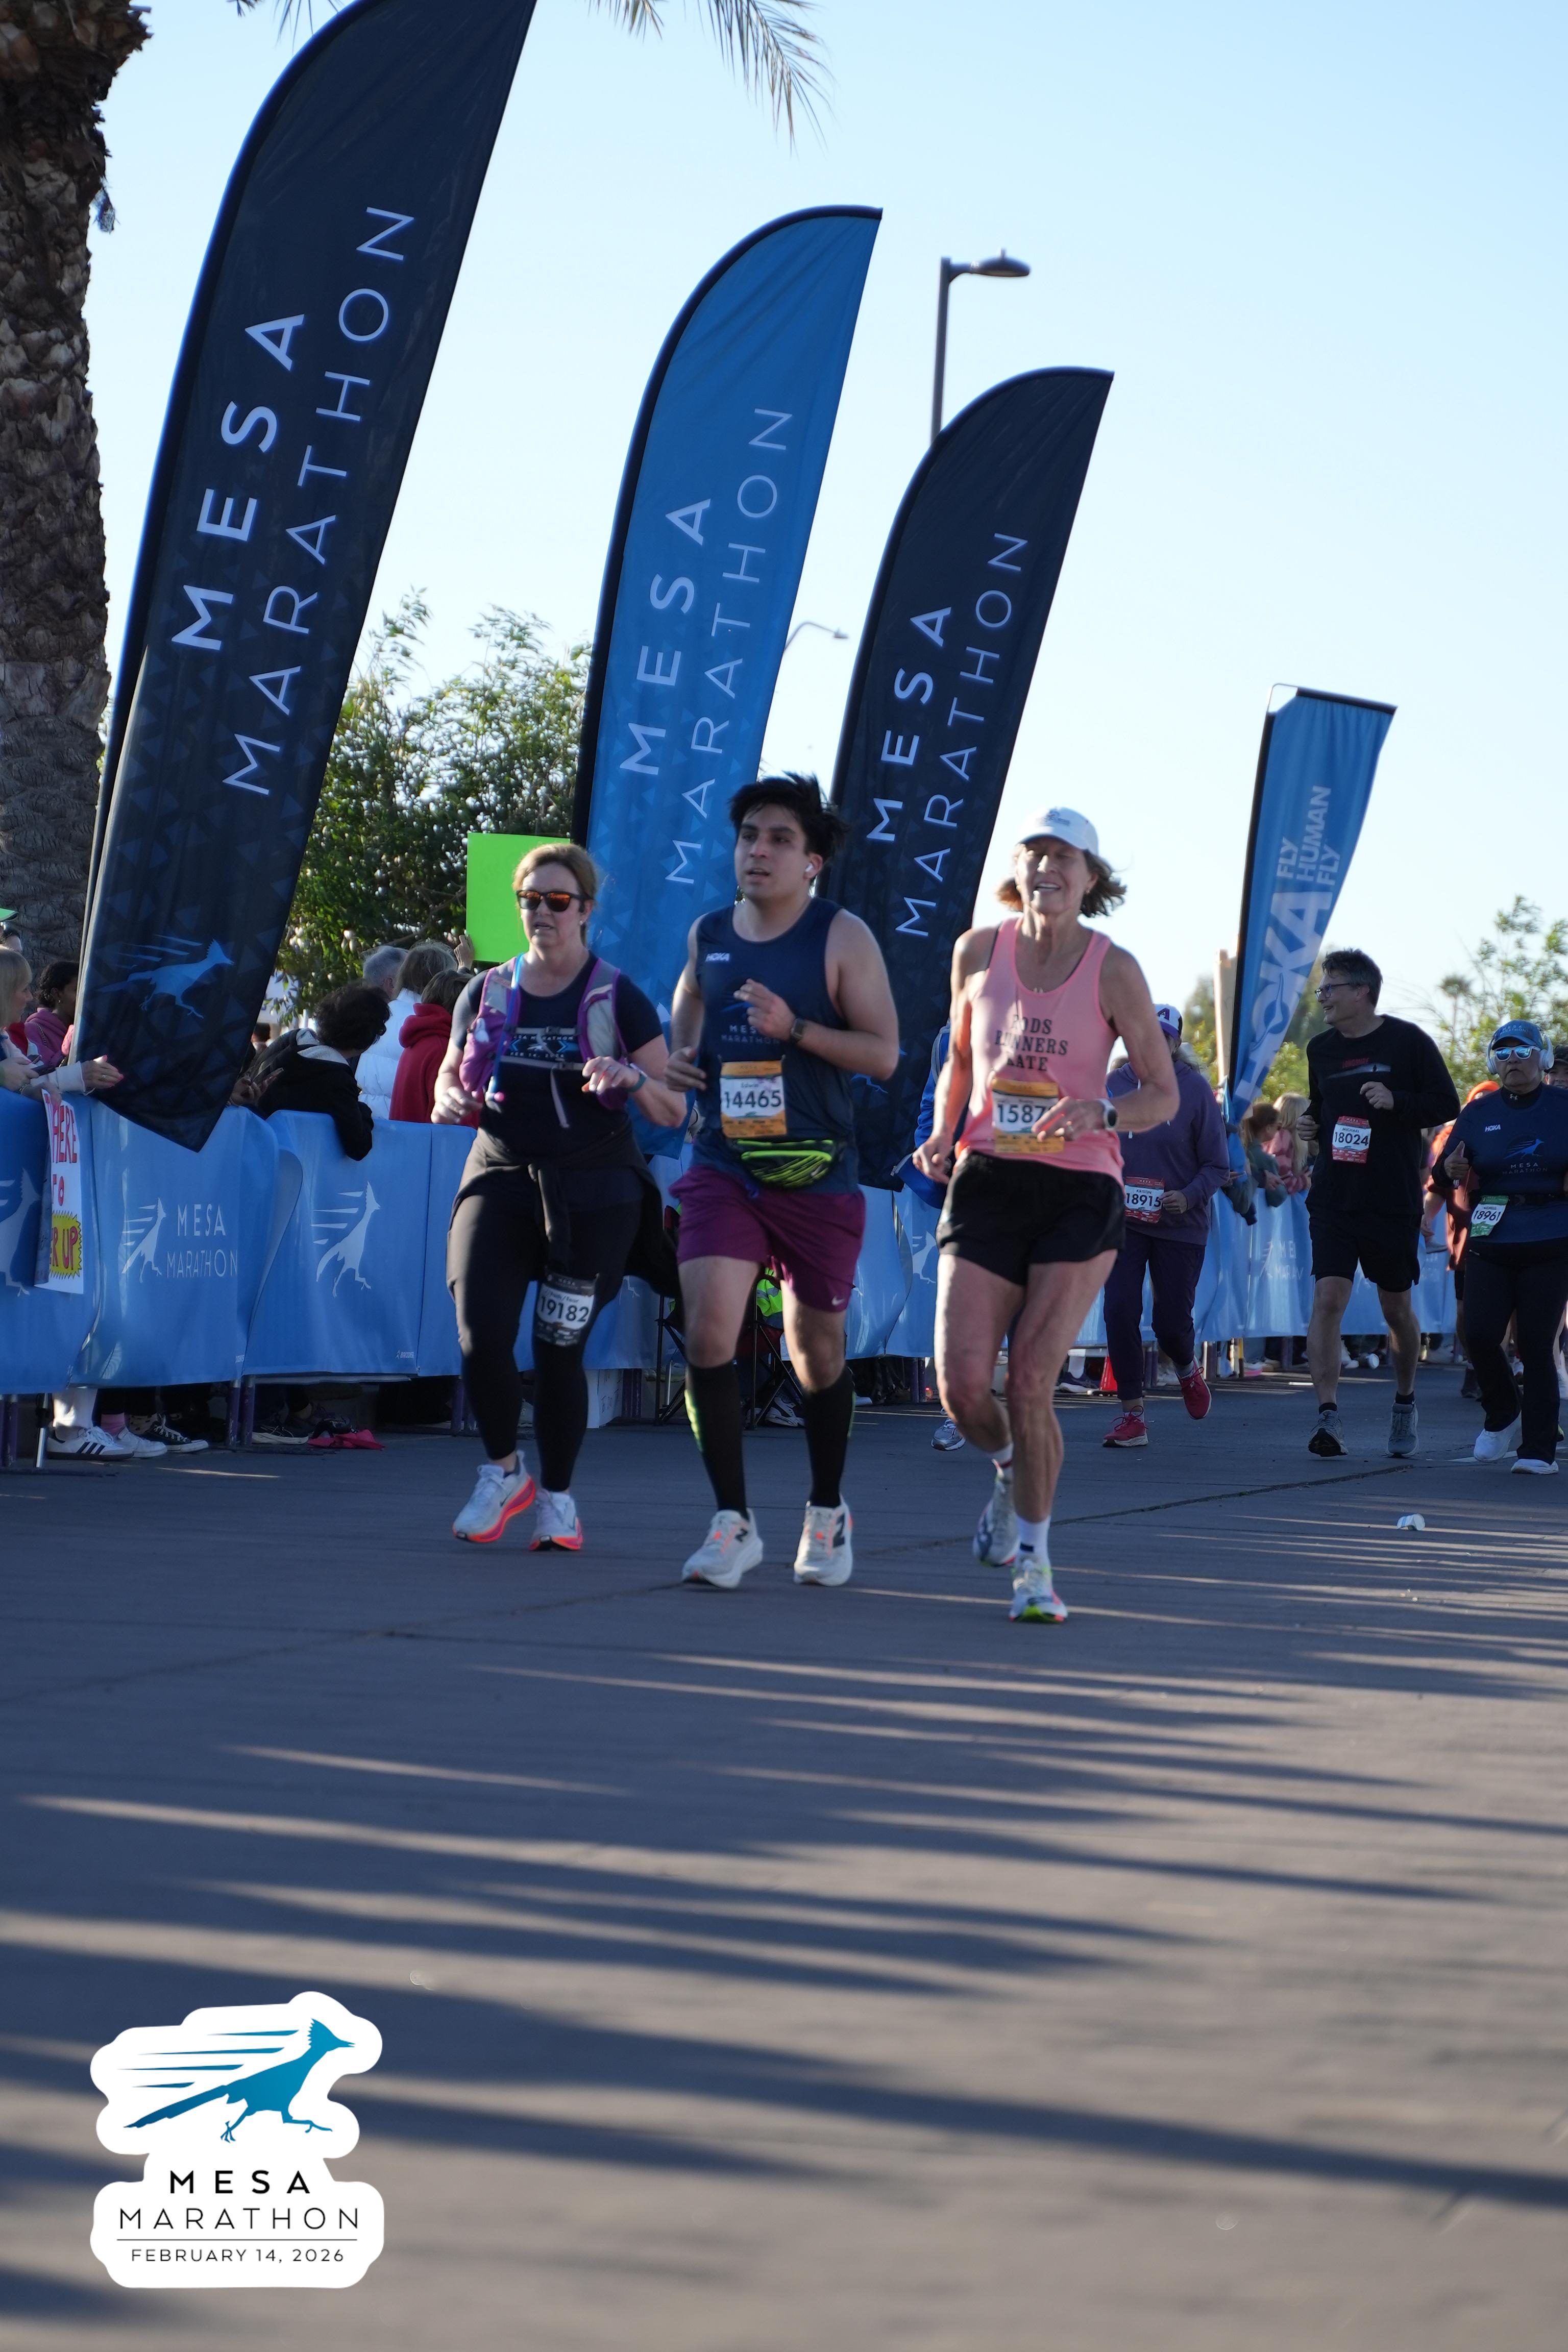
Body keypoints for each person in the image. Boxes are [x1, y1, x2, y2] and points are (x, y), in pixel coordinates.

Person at [914, 808, 1178, 1624]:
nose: (1047, 868)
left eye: (1065, 857)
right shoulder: (976, 951)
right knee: (962, 1386)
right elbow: (961, 1061)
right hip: (988, 1178)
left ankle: (1034, 1566)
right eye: (1035, 853)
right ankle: (1007, 1469)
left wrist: (1107, 1111)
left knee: (1031, 1377)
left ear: (1091, 877)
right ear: (1018, 867)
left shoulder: (1114, 969)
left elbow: (1163, 1093)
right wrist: (942, 1132)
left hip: (1079, 1186)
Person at [663, 775, 899, 1590]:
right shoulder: (709, 933)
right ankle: (732, 1523)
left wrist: (794, 1028)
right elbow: (688, 1001)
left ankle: (827, 1510)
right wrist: (681, 1058)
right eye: (748, 836)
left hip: (815, 1172)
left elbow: (883, 1054)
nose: (757, 852)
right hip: (725, 1164)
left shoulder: (842, 938)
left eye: (779, 840)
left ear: (812, 862)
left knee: (816, 1354)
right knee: (708, 1333)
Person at [434, 844, 687, 1549]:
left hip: (594, 1193)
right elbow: (449, 1074)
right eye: (531, 900)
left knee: (557, 1348)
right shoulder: (485, 990)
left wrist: (634, 1080)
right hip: (500, 1176)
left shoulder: (618, 996)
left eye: (558, 901)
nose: (542, 912)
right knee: (480, 1332)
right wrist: (447, 1095)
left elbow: (674, 1109)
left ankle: (558, 1499)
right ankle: (502, 1472)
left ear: (586, 911)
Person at [1296, 949, 1458, 1459]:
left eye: (1330, 988)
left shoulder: (1408, 1042)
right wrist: (1310, 1125)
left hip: (1390, 1197)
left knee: (1396, 1308)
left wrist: (1398, 1102)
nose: (1322, 997)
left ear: (1361, 991)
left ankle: (1405, 1400)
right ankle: (1328, 1415)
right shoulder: (1320, 1049)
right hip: (1334, 1196)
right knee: (1328, 1298)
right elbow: (1322, 1107)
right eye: (1321, 988)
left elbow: (1447, 1103)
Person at [1100, 1002, 1231, 1446]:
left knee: (1171, 1324)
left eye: (1162, 1039)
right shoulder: (1113, 1085)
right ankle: (1132, 1415)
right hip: (1124, 1222)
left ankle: (1187, 1368)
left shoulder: (1194, 1090)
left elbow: (1218, 1166)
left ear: (1175, 1046)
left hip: (1180, 1223)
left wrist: (1187, 1196)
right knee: (1119, 1309)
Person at [1440, 1023, 1568, 1474]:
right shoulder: (1479, 1111)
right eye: (1504, 1051)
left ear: (1542, 1058)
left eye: (1523, 1050)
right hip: (1492, 1231)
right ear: (1494, 1062)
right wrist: (1451, 1168)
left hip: (1551, 1233)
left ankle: (1538, 1451)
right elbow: (1442, 1170)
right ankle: (1502, 1412)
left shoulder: (1563, 1106)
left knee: (1536, 1344)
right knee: (1477, 1333)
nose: (1513, 1058)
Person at [251, 983, 388, 1158]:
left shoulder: (290, 1041)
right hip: (286, 1163)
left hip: (250, 1145)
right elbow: (358, 1145)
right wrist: (364, 1111)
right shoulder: (337, 1077)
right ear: (367, 1038)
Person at [0, 949, 120, 1097]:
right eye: (24, 989)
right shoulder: (32, 1030)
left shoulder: (3, 1038)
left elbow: (29, 1078)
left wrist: (30, 1092)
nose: (30, 997)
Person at [358, 941, 456, 1121]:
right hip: (399, 1127)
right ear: (439, 980)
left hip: (370, 1124)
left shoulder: (384, 1015)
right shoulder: (425, 1022)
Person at [390, 969, 472, 1124]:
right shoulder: (444, 1050)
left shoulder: (421, 1038)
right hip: (431, 1139)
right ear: (463, 1010)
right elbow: (453, 1122)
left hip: (413, 1138)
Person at [24, 960, 77, 1072]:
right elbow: (38, 1075)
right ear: (57, 994)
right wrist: (66, 1052)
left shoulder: (90, 1029)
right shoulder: (33, 1030)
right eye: (76, 990)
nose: (83, 997)